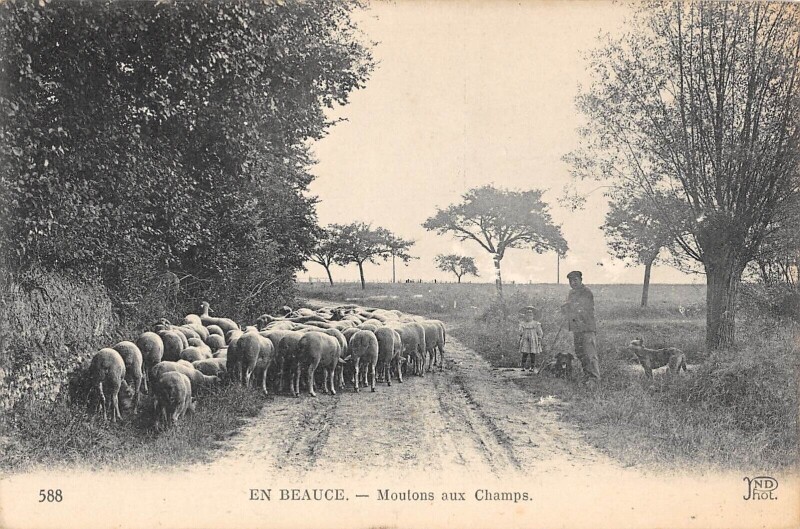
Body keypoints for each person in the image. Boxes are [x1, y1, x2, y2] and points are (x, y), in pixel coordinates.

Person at [561, 270, 600, 384]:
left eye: (575, 280)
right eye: (570, 281)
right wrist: (565, 308)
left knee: (590, 354)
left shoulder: (586, 292)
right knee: (580, 353)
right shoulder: (571, 293)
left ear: (581, 280)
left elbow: (582, 307)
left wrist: (569, 306)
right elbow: (567, 308)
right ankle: (587, 377)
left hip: (587, 328)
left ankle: (595, 380)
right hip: (576, 328)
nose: (573, 283)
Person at [518, 306, 543, 372]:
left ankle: (532, 367)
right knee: (525, 353)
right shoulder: (523, 323)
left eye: (530, 315)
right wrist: (521, 330)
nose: (529, 317)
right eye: (527, 315)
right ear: (525, 316)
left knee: (533, 353)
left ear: (533, 316)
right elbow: (520, 333)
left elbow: (540, 332)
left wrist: (539, 339)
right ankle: (523, 367)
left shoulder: (536, 323)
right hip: (525, 339)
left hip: (533, 339)